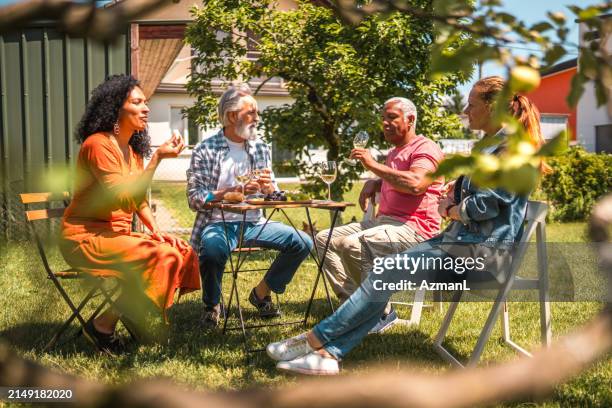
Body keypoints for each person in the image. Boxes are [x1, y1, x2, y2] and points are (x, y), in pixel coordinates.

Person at [266, 76, 549, 375]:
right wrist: (458, 188)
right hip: (459, 243)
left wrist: (452, 210)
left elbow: (487, 206)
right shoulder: (492, 147)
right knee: (383, 272)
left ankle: (315, 341)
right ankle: (327, 353)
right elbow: (488, 195)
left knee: (384, 271)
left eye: (471, 104)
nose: (466, 110)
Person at [60, 74, 201, 353]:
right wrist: (157, 159)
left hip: (117, 236)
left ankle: (131, 314)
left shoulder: (133, 151)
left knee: (181, 249)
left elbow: (138, 202)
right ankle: (109, 324)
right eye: (137, 102)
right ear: (115, 109)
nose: (146, 108)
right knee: (163, 255)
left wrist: (157, 232)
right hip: (85, 238)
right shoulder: (98, 145)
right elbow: (123, 198)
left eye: (146, 102)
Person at [187, 84, 313, 329]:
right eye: (252, 112)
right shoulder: (205, 149)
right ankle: (212, 305)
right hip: (219, 222)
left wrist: (269, 190)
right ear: (233, 116)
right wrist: (232, 192)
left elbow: (273, 194)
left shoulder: (261, 148)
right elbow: (194, 198)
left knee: (303, 242)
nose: (257, 118)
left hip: (255, 222)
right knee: (212, 249)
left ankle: (261, 293)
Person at [315, 97, 444, 333]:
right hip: (387, 223)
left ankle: (380, 312)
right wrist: (376, 181)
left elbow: (416, 183)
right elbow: (395, 176)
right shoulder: (395, 152)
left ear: (410, 119)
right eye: (383, 118)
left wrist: (373, 167)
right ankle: (354, 307)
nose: (384, 122)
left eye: (392, 117)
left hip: (416, 231)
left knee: (353, 245)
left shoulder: (425, 149)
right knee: (324, 239)